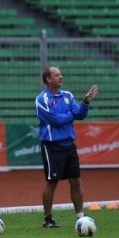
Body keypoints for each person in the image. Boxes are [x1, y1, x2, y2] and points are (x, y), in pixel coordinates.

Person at [35, 66, 99, 228]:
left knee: (76, 181)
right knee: (52, 182)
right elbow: (56, 120)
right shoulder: (42, 99)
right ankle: (48, 219)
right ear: (48, 79)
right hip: (52, 146)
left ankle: (81, 217)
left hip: (69, 145)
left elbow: (80, 115)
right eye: (57, 75)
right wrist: (72, 114)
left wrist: (85, 102)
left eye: (61, 74)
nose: (61, 77)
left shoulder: (67, 95)